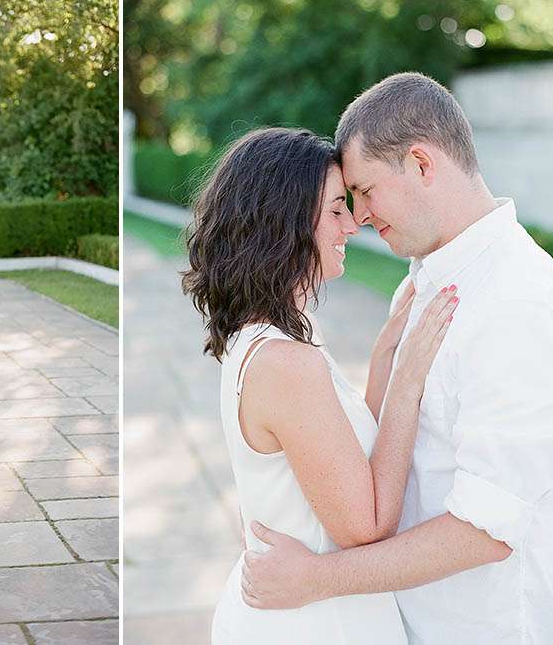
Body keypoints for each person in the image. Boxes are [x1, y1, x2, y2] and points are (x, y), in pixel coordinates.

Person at [241, 73, 553, 644]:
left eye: (365, 191)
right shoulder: (429, 281)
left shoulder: (521, 304)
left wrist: (315, 579)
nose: (358, 218)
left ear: (422, 164)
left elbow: (485, 531)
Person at [182, 126, 460, 644]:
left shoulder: (270, 337)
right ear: (285, 222)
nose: (353, 225)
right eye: (336, 209)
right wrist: (406, 381)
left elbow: (352, 460)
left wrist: (383, 358)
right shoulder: (286, 362)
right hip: (310, 625)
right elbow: (368, 526)